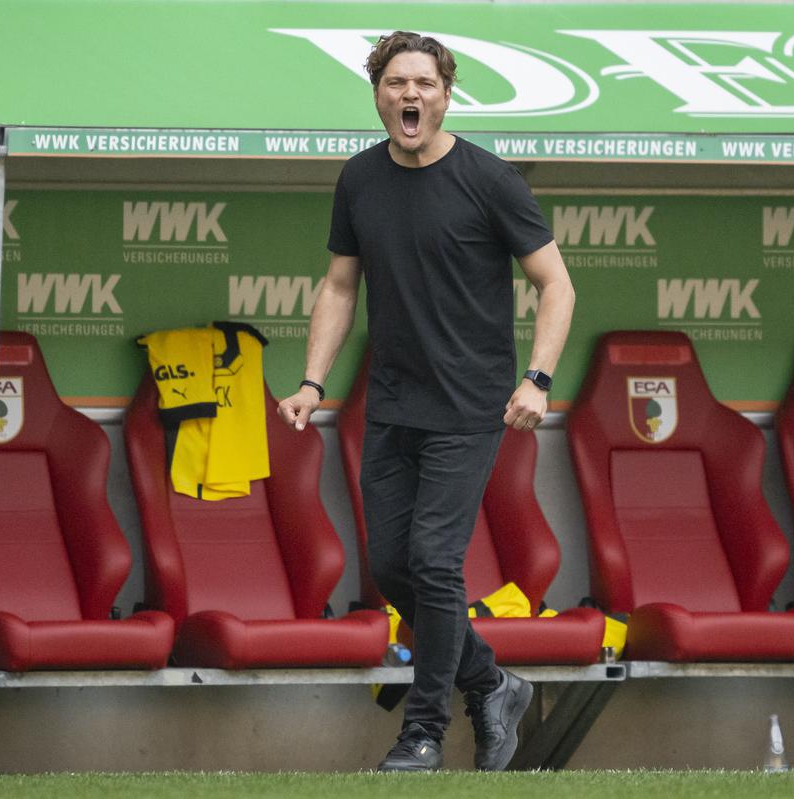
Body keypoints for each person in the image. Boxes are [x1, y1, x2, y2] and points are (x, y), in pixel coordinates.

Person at [277, 31, 575, 772]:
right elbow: (340, 286)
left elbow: (557, 285)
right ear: (378, 95)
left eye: (424, 83)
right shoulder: (358, 180)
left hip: (472, 405)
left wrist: (536, 379)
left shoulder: (490, 179)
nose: (410, 95)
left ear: (446, 94)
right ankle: (493, 681)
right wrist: (313, 381)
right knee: (395, 568)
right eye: (395, 83)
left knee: (436, 564)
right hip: (391, 405)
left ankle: (423, 732)